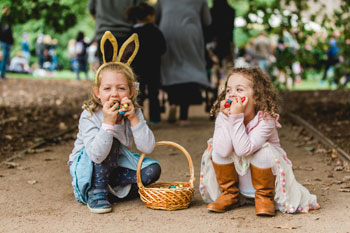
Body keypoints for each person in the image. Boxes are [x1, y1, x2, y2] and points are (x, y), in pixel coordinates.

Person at [201, 67, 320, 215]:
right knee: (216, 147)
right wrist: (226, 118)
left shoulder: (265, 120)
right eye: (229, 90)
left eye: (239, 90)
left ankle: (264, 197)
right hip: (239, 182)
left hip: (265, 181)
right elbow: (223, 151)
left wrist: (236, 117)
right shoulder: (225, 117)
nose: (232, 94)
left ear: (256, 97)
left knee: (263, 152)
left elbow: (243, 149)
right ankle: (230, 195)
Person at [68, 31, 161, 214]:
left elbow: (148, 147)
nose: (114, 94)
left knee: (152, 170)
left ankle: (109, 188)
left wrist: (134, 119)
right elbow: (96, 155)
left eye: (121, 88)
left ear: (131, 92)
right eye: (107, 88)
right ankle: (96, 191)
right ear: (98, 93)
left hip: (114, 165)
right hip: (86, 166)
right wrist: (108, 123)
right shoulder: (89, 115)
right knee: (109, 143)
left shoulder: (133, 113)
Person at [155, 0, 212, 125]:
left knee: (170, 69)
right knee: (189, 70)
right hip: (190, 31)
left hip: (167, 31)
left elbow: (156, 17)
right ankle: (183, 116)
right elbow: (207, 21)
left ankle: (173, 102)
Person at [127, 2, 166, 125]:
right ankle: (155, 118)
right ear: (149, 16)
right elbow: (163, 48)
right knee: (154, 93)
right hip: (153, 67)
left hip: (136, 69)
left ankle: (138, 119)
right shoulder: (155, 31)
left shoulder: (131, 33)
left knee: (138, 94)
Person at [0, 6, 14, 80]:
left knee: (6, 59)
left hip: (8, 42)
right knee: (4, 59)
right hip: (4, 42)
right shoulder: (2, 20)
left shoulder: (8, 21)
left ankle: (3, 75)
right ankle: (2, 75)